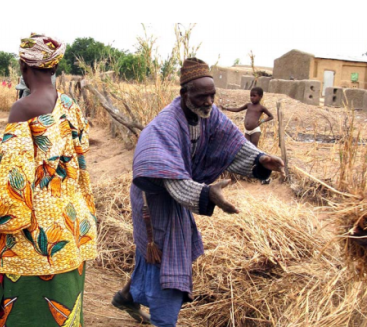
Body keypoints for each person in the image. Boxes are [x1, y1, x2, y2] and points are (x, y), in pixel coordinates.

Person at [112, 58, 285, 327]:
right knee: (165, 258)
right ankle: (164, 321)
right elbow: (169, 178)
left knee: (156, 255)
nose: (208, 101)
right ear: (184, 94)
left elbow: (233, 144)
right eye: (201, 95)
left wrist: (260, 161)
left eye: (212, 95)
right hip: (155, 198)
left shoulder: (209, 114)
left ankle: (126, 296)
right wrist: (206, 194)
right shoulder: (164, 126)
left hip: (182, 193)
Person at [0, 33, 97, 327]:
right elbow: (78, 158)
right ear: (54, 67)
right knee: (64, 311)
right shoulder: (71, 106)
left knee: (28, 314)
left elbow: (10, 182)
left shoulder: (23, 108)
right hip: (71, 231)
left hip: (35, 241)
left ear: (23, 65)